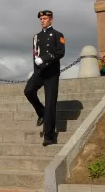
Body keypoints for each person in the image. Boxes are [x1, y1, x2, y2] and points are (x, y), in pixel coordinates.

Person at [24, 10, 66, 146]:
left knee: (50, 103)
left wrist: (44, 59)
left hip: (52, 73)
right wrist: (36, 70)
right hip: (40, 72)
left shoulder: (58, 35)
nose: (42, 20)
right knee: (28, 91)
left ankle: (49, 137)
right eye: (41, 19)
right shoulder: (36, 37)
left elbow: (60, 52)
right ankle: (41, 112)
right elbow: (35, 55)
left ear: (51, 20)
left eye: (45, 18)